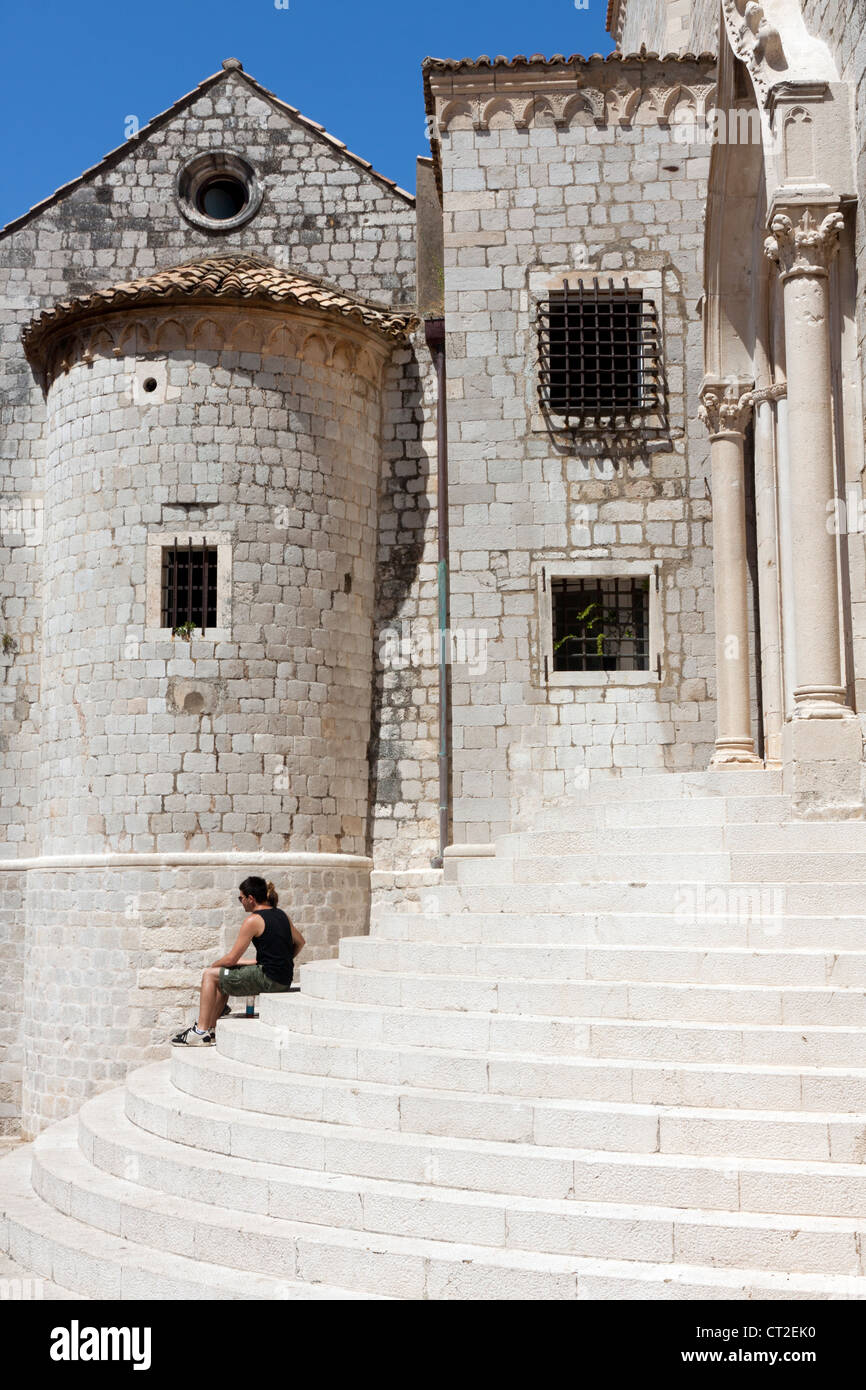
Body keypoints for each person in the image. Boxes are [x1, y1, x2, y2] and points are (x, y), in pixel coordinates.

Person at [171, 877, 305, 1046]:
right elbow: (300, 942)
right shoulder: (281, 914)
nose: (240, 902)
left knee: (211, 975)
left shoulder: (253, 920)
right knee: (225, 973)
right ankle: (210, 1031)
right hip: (283, 979)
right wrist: (283, 960)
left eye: (241, 898)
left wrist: (215, 966)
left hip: (269, 980)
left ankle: (200, 1031)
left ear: (251, 898)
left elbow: (231, 957)